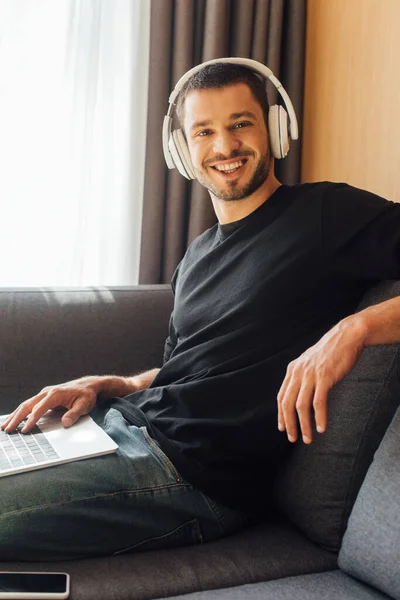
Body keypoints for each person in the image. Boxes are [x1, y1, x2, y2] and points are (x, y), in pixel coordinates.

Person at [1, 58, 400, 561]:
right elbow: (181, 370)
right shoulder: (195, 255)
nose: (225, 146)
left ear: (274, 130)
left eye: (240, 124)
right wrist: (111, 385)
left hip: (190, 477)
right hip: (117, 428)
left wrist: (358, 327)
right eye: (204, 131)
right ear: (182, 151)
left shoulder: (325, 214)